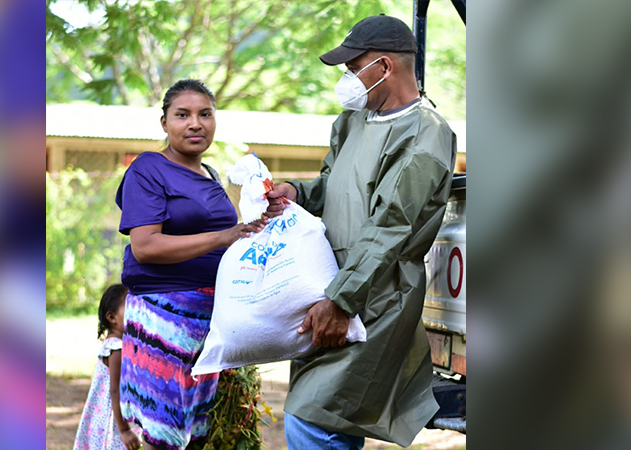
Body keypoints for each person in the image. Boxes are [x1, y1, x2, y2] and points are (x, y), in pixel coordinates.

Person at [265, 15, 457, 449]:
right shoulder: (351, 122)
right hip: (332, 285)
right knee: (331, 418)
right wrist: (297, 192)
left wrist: (341, 300)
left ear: (384, 67)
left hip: (376, 297)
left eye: (353, 69)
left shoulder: (425, 133)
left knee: (314, 417)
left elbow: (391, 224)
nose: (347, 80)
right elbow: (334, 185)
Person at [114, 79, 267, 450]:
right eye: (182, 115)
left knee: (202, 432)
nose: (195, 124)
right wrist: (222, 237)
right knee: (164, 431)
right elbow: (145, 247)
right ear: (164, 123)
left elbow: (232, 237)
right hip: (166, 317)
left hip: (212, 318)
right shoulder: (149, 169)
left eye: (205, 114)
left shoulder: (209, 174)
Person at [73, 284, 141, 450]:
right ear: (112, 317)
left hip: (111, 416)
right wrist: (124, 430)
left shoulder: (118, 344)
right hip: (113, 420)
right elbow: (115, 390)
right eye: (131, 307)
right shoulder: (116, 348)